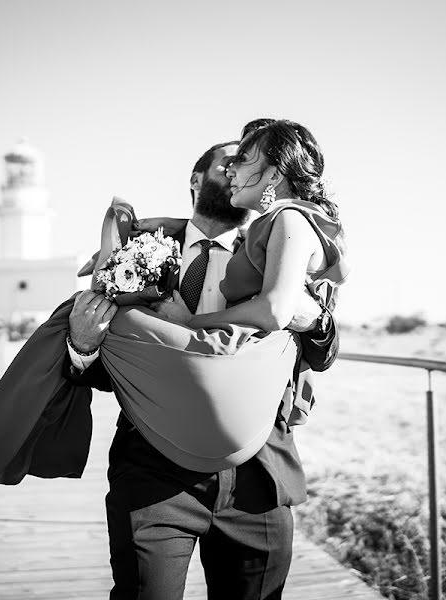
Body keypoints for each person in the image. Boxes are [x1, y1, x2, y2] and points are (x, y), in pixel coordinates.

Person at [68, 119, 346, 599]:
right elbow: (115, 366)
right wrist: (82, 346)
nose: (237, 168)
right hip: (154, 470)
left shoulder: (280, 244)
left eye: (246, 160)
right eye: (228, 161)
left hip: (260, 472)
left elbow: (321, 355)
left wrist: (313, 319)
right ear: (197, 180)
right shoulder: (142, 248)